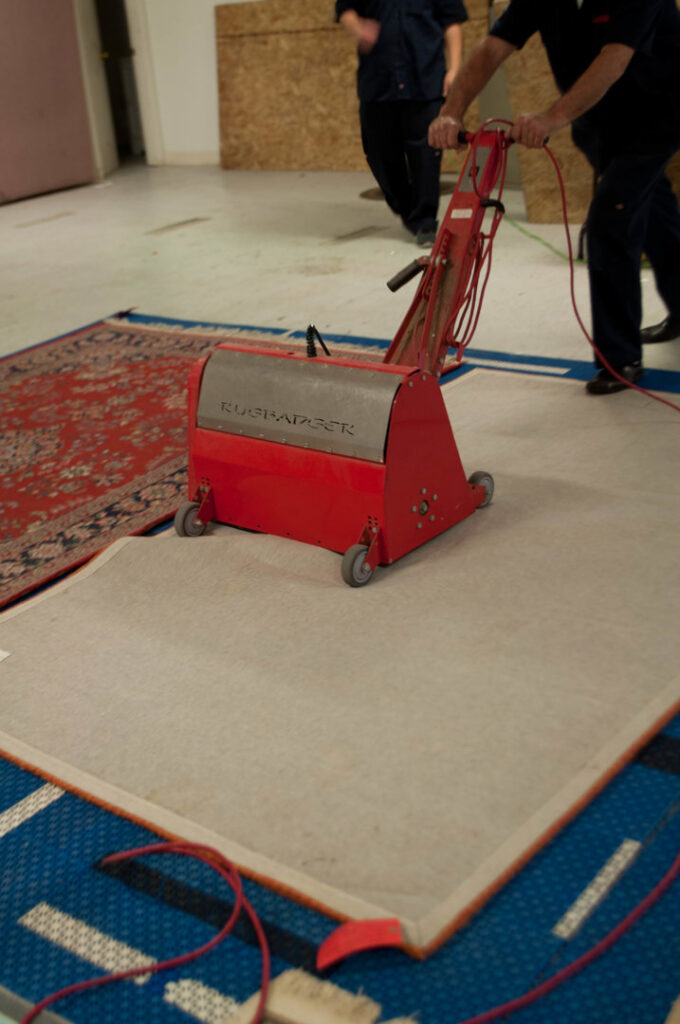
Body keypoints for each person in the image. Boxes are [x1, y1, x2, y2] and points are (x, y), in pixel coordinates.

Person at [428, 0, 680, 394]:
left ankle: (620, 359)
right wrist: (451, 111)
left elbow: (614, 58)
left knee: (610, 221)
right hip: (599, 122)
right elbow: (493, 48)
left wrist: (550, 118)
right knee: (654, 214)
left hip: (657, 115)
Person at [336, 0, 468, 247]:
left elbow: (452, 23)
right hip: (378, 83)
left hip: (425, 80)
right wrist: (359, 28)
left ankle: (425, 221)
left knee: (426, 155)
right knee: (378, 153)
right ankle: (407, 208)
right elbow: (345, 9)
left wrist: (455, 69)